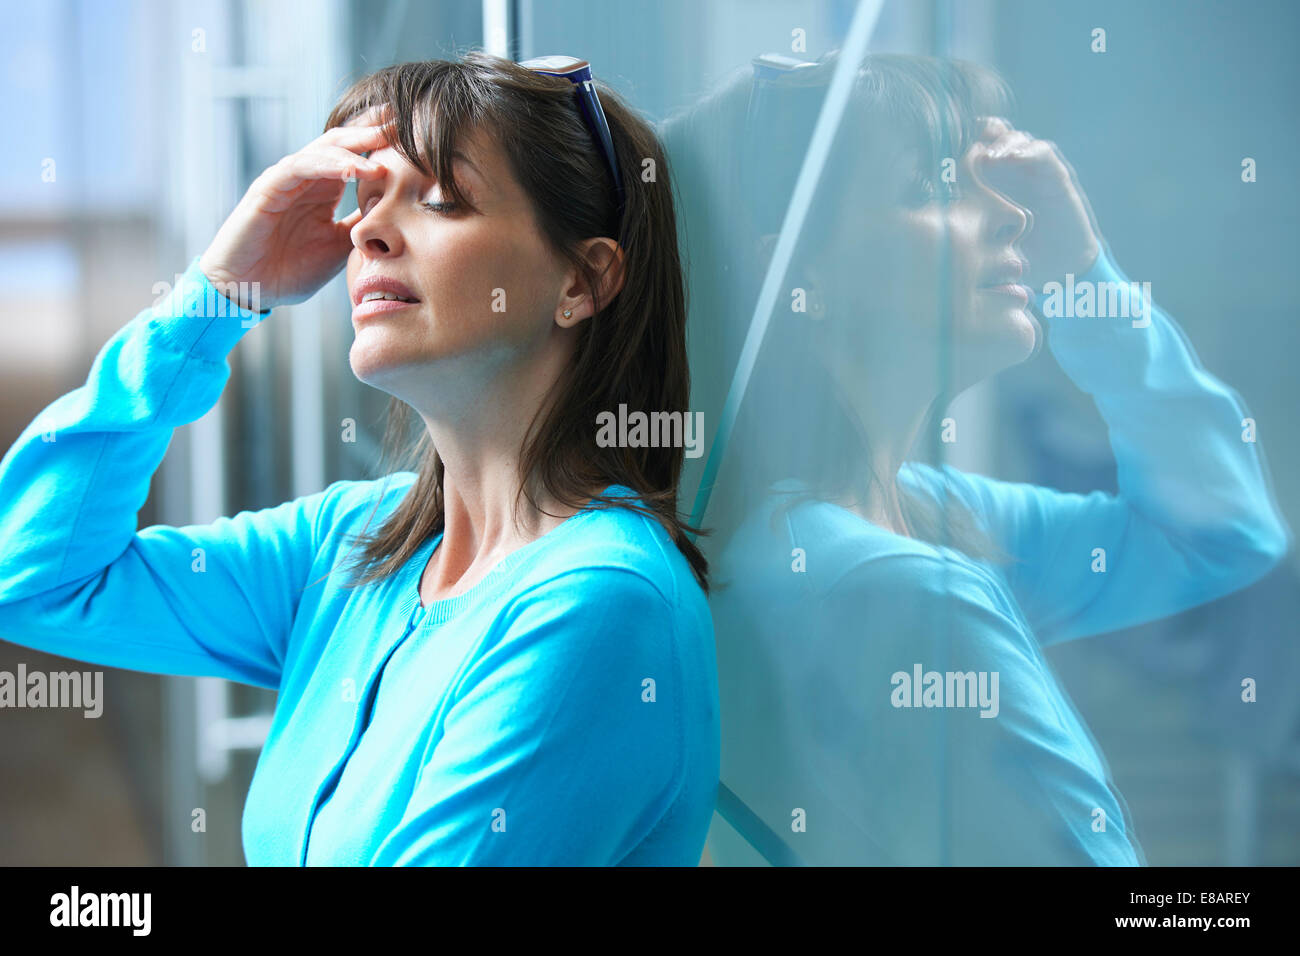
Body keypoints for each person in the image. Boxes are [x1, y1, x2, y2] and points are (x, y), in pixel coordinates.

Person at [0, 51, 720, 866]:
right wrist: (218, 296)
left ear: (582, 281)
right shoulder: (354, 542)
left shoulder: (595, 605)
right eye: (365, 197)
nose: (370, 230)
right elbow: (32, 577)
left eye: (442, 200)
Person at [662, 52, 1291, 865]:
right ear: (794, 272)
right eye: (932, 187)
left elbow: (1221, 537)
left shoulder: (894, 517)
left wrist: (1084, 280)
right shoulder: (897, 585)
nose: (1016, 218)